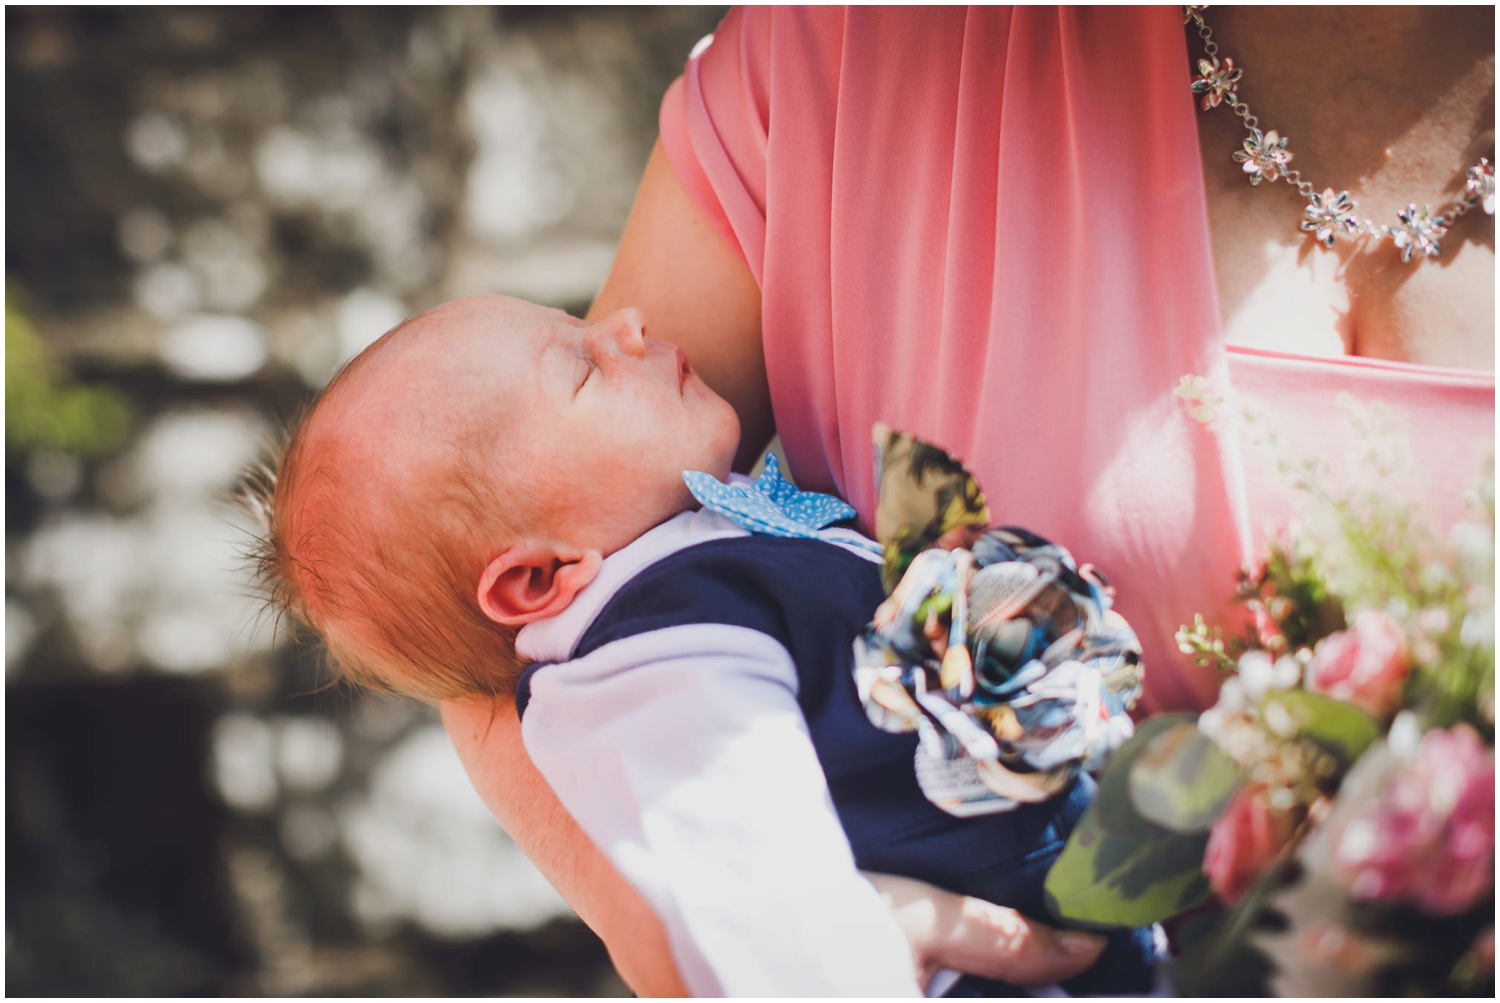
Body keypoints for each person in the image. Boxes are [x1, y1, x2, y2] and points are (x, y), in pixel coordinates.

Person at [442, 7, 1495, 995]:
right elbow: (515, 620)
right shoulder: (846, 57)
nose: (615, 336)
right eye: (585, 362)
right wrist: (787, 958)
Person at [257, 292, 1156, 995]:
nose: (627, 325)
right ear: (539, 578)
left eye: (581, 322)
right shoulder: (649, 658)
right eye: (578, 367)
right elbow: (750, 894)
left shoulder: (689, 574)